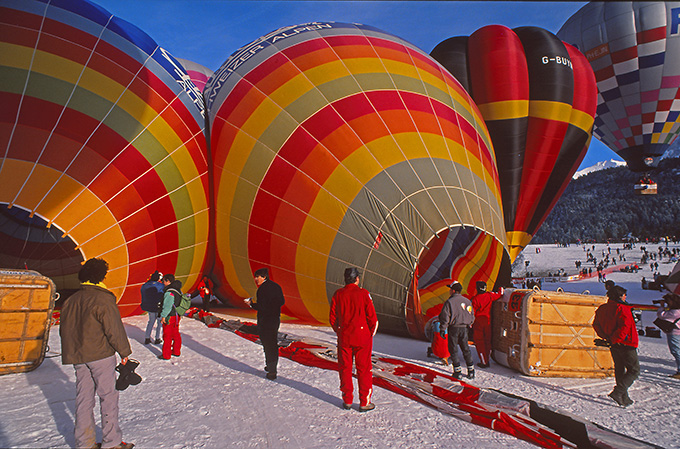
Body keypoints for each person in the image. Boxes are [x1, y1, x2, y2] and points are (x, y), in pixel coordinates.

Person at [59, 258, 134, 449]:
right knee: (108, 397)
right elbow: (114, 329)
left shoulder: (70, 301)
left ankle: (84, 443)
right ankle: (112, 442)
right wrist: (124, 352)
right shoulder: (103, 298)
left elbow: (64, 330)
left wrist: (72, 351)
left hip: (79, 356)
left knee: (83, 399)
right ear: (101, 276)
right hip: (101, 355)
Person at [329, 267, 378, 412]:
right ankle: (364, 402)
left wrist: (339, 331)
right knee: (364, 369)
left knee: (345, 368)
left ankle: (347, 400)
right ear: (357, 278)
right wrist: (370, 334)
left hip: (345, 337)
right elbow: (373, 318)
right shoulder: (364, 294)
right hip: (362, 338)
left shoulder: (338, 294)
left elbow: (333, 318)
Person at [593, 285, 640, 407]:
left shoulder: (602, 308)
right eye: (624, 295)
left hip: (613, 343)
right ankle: (618, 392)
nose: (625, 297)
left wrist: (606, 337)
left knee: (619, 368)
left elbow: (596, 324)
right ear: (620, 296)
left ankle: (624, 396)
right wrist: (615, 339)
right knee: (634, 370)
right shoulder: (622, 308)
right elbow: (625, 326)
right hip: (626, 343)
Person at [246, 268, 285, 380]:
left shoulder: (262, 289)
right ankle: (270, 366)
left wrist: (252, 304)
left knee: (268, 345)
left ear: (264, 277)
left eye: (257, 277)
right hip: (274, 320)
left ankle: (272, 371)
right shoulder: (276, 286)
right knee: (272, 344)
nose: (256, 279)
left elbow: (263, 307)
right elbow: (282, 301)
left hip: (265, 321)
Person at [439, 281, 475, 380]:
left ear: (453, 290)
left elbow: (445, 317)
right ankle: (471, 371)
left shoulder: (449, 302)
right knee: (466, 348)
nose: (449, 291)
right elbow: (471, 315)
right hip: (464, 328)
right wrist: (470, 323)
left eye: (450, 289)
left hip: (454, 328)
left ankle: (457, 372)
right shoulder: (467, 301)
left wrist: (442, 329)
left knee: (453, 349)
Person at [470, 281, 504, 368]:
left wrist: (470, 323)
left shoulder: (475, 299)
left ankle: (483, 361)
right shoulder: (490, 295)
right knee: (487, 341)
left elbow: (472, 313)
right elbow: (500, 294)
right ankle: (487, 359)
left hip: (478, 322)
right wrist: (500, 288)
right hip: (488, 321)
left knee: (479, 342)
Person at [158, 274, 183, 360]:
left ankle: (166, 355)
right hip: (176, 316)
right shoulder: (178, 290)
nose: (163, 283)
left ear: (168, 281)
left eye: (163, 281)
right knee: (175, 334)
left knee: (167, 336)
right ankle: (176, 351)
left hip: (170, 317)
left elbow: (167, 306)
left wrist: (163, 316)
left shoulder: (169, 292)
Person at [655, 293, 680, 379]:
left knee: (676, 351)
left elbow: (661, 315)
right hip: (678, 332)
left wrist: (662, 306)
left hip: (674, 333)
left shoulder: (674, 312)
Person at [140, 270, 164, 345]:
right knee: (159, 323)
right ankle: (157, 338)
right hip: (158, 306)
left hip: (149, 306)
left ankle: (147, 337)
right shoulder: (161, 286)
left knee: (151, 321)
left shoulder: (145, 285)